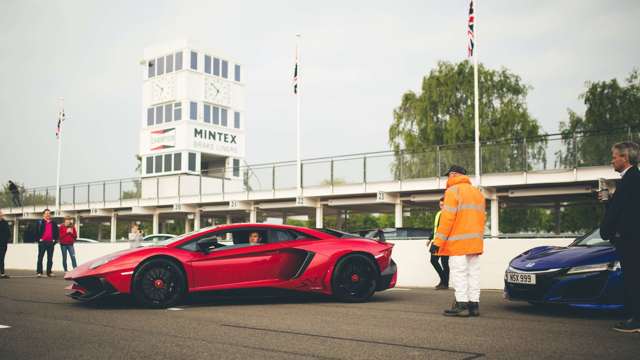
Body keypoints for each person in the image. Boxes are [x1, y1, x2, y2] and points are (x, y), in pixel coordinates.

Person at [431, 165, 485, 317]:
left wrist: (437, 242)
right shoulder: (477, 192)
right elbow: (482, 218)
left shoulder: (452, 191)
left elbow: (448, 218)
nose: (447, 179)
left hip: (458, 242)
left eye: (448, 175)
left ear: (453, 175)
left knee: (459, 272)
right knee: (473, 273)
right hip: (475, 242)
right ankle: (474, 305)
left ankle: (461, 304)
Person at [599, 142, 640, 333]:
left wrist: (620, 233)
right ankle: (634, 317)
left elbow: (631, 214)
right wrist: (607, 200)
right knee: (632, 278)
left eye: (614, 156)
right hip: (629, 240)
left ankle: (636, 321)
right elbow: (619, 210)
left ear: (625, 157)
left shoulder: (633, 179)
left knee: (634, 279)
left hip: (631, 241)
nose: (612, 160)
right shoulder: (630, 179)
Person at [428, 196, 449, 290]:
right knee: (434, 260)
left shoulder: (448, 214)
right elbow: (435, 228)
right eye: (440, 205)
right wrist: (430, 238)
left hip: (445, 242)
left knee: (444, 262)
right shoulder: (439, 214)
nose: (441, 206)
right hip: (437, 240)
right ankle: (444, 281)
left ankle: (444, 282)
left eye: (443, 205)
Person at [36, 209, 59, 277]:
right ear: (43, 214)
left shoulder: (53, 223)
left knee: (50, 258)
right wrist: (39, 240)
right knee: (40, 257)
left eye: (49, 213)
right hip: (42, 243)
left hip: (50, 243)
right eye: (46, 213)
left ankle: (49, 272)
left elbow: (57, 233)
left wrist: (54, 241)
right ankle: (39, 272)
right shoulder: (40, 222)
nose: (48, 214)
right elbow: (36, 232)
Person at [0, 210, 10, 278]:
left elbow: (8, 233)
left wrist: (6, 241)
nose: (1, 214)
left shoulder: (5, 222)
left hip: (3, 244)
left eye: (1, 213)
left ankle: (2, 273)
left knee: (1, 258)